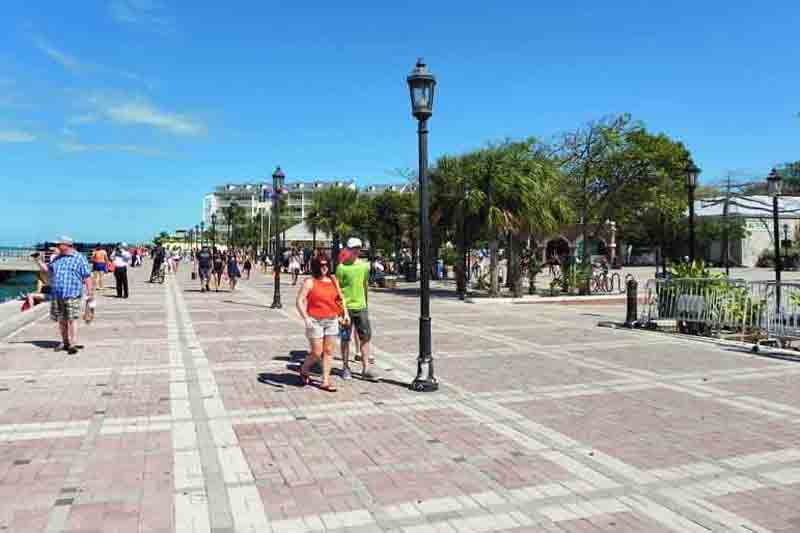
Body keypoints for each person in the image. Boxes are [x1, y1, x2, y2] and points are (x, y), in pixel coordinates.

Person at [296, 254, 348, 392]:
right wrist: (305, 318)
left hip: (331, 320)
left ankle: (325, 380)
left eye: (326, 264)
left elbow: (340, 299)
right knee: (317, 352)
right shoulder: (310, 281)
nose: (324, 267)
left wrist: (345, 314)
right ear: (315, 266)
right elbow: (299, 301)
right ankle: (304, 368)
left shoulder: (333, 279)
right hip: (315, 321)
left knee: (329, 351)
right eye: (320, 265)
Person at [337, 238, 376, 381]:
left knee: (365, 338)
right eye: (353, 248)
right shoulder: (341, 267)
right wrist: (340, 310)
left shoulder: (364, 266)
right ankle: (345, 367)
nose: (356, 251)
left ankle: (366, 368)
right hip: (345, 308)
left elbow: (365, 284)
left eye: (358, 248)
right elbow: (338, 289)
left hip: (361, 307)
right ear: (347, 249)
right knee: (345, 338)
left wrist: (366, 303)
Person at [48, 236, 93, 354]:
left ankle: (73, 343)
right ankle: (65, 342)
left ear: (67, 245)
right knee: (61, 319)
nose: (57, 246)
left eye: (59, 244)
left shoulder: (79, 258)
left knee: (72, 319)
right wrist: (38, 261)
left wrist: (90, 293)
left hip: (72, 293)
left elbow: (87, 276)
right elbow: (49, 271)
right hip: (57, 294)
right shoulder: (57, 258)